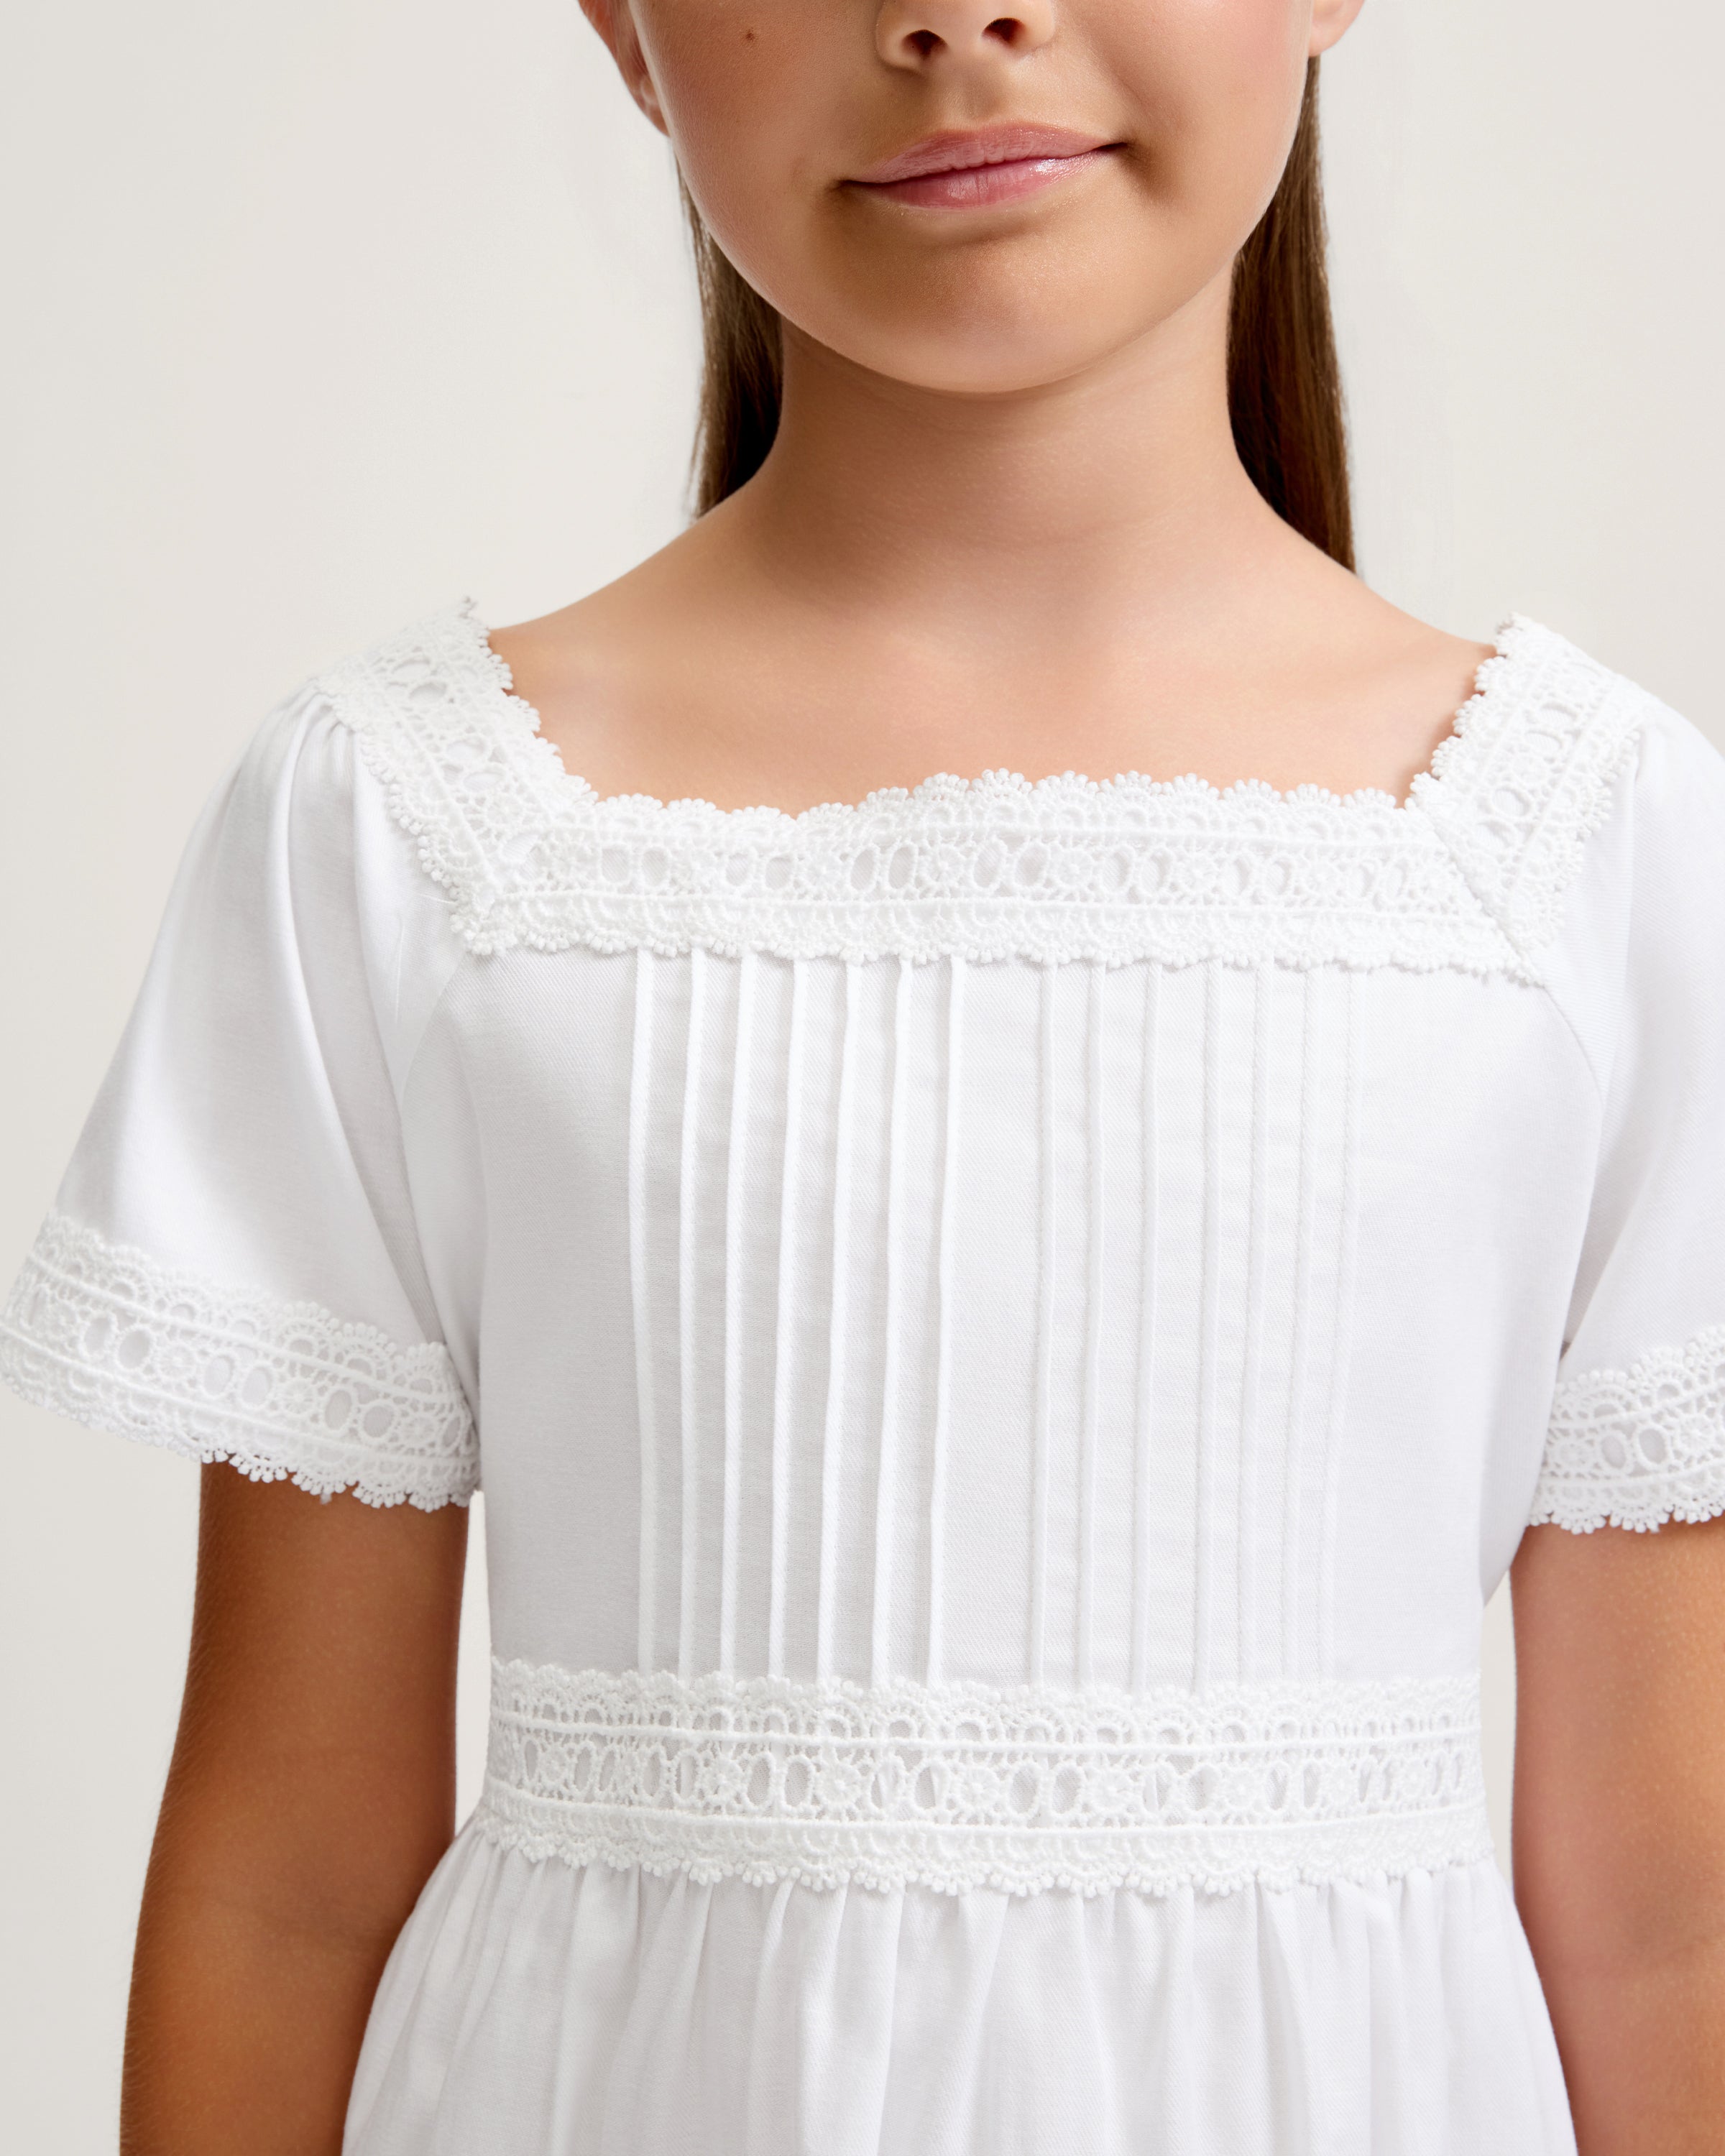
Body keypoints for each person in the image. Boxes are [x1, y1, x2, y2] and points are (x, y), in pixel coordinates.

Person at [4, 1, 1722, 2150]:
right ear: (623, 30)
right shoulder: (414, 831)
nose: (957, 13)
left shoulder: (1592, 852)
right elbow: (284, 1880)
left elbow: (1665, 1918)